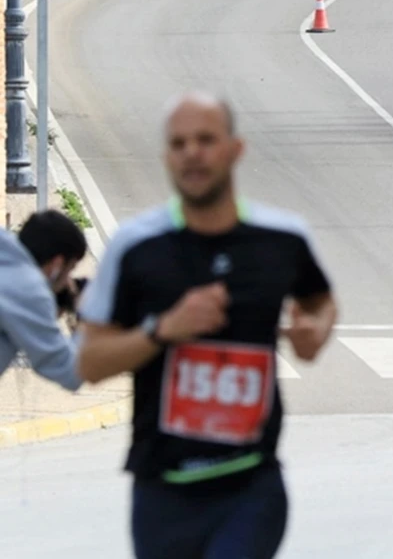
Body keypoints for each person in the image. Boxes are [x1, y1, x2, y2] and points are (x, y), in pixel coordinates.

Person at [77, 92, 338, 559]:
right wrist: (163, 329)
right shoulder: (137, 247)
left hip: (251, 483)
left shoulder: (281, 239)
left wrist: (314, 330)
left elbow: (322, 301)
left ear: (236, 149)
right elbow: (90, 361)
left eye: (205, 140)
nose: (191, 153)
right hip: (162, 489)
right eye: (178, 144)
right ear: (166, 158)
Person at [0, 209, 88, 390]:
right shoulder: (28, 289)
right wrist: (85, 318)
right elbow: (71, 373)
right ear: (56, 264)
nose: (67, 282)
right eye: (69, 270)